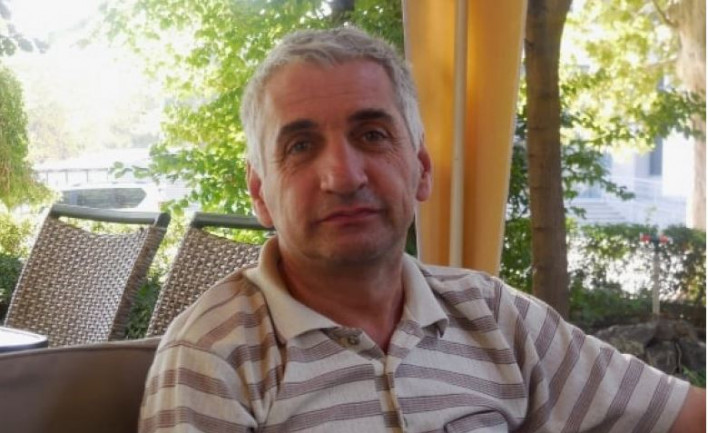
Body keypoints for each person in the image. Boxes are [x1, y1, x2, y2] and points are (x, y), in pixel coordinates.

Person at [139, 26, 705, 433]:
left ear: (422, 170)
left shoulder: (493, 315)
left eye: (372, 135)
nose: (343, 176)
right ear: (260, 192)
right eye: (301, 146)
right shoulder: (214, 357)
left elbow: (682, 415)